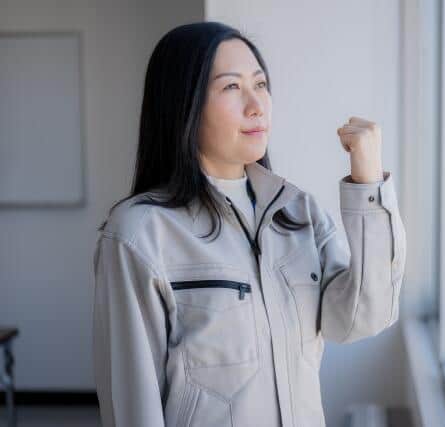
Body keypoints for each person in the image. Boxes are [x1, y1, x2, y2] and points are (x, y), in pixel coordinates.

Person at [92, 21, 406, 427]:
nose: (256, 104)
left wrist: (368, 183)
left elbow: (363, 316)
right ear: (183, 104)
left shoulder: (298, 213)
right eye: (231, 87)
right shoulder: (139, 234)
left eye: (260, 84)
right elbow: (133, 406)